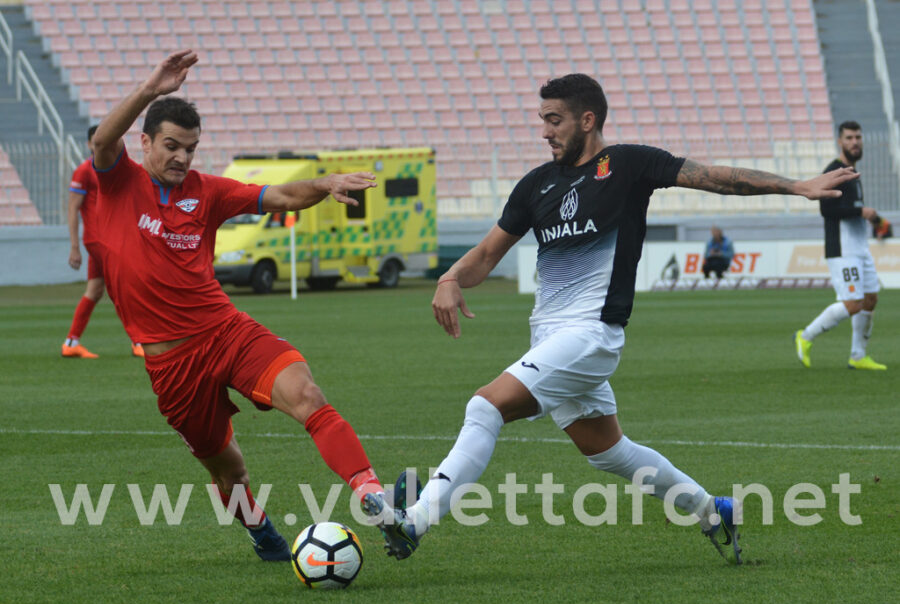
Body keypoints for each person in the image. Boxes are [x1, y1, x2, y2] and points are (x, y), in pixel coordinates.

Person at [392, 74, 858, 565]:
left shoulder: (629, 165)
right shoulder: (536, 184)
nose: (545, 132)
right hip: (549, 340)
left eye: (554, 120)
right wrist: (449, 278)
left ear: (587, 120)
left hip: (591, 334)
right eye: (542, 121)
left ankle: (415, 520)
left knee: (485, 407)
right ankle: (714, 510)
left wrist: (796, 187)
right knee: (607, 452)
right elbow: (486, 256)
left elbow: (716, 177)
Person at [88, 50, 416, 561]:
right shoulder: (119, 182)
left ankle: (372, 497)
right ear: (146, 142)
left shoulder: (209, 192)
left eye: (191, 149)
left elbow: (281, 195)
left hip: (226, 331)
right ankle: (260, 530)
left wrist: (324, 185)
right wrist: (151, 88)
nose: (182, 158)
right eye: (171, 146)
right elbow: (102, 141)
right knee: (228, 471)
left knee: (306, 393)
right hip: (171, 363)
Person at [794, 121, 886, 371]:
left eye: (858, 137)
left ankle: (858, 356)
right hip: (843, 249)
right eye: (849, 138)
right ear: (840, 141)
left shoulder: (852, 172)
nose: (855, 142)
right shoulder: (834, 170)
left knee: (870, 299)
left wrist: (873, 220)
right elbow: (827, 208)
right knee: (853, 302)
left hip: (859, 247)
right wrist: (861, 210)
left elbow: (852, 210)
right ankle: (805, 336)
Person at [63, 125, 144, 358]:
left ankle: (71, 343)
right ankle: (138, 341)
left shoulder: (116, 169)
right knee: (122, 288)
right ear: (91, 144)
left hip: (109, 238)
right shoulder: (84, 171)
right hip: (100, 240)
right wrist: (74, 246)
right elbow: (73, 208)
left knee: (95, 290)